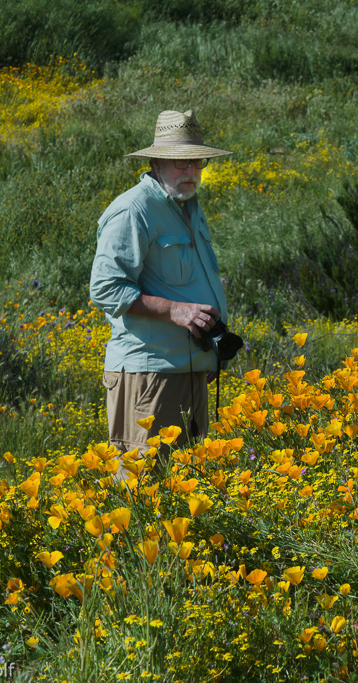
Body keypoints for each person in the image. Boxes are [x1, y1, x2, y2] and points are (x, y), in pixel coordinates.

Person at [89, 109, 232, 479]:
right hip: (148, 375)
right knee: (142, 488)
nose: (190, 171)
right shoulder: (133, 210)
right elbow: (105, 288)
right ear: (155, 161)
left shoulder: (188, 205)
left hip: (188, 370)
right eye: (179, 162)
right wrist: (175, 311)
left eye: (195, 162)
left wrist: (203, 356)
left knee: (185, 488)